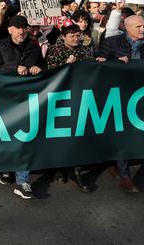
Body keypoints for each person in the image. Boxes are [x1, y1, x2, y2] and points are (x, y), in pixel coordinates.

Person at [97, 15, 144, 193]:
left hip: (136, 95)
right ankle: (124, 175)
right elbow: (99, 64)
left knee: (126, 134)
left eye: (143, 26)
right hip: (114, 95)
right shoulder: (112, 42)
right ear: (127, 28)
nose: (143, 29)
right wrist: (116, 63)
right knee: (119, 133)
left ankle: (119, 166)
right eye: (139, 27)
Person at [0, 15, 41, 199]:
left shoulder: (34, 47)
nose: (22, 31)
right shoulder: (0, 46)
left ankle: (22, 181)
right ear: (10, 29)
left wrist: (38, 69)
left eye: (24, 27)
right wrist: (14, 67)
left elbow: (43, 67)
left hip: (27, 101)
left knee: (24, 138)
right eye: (18, 27)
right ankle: (6, 168)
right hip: (4, 101)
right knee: (6, 137)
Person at [46, 23, 93, 192]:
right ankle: (59, 167)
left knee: (78, 133)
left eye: (78, 35)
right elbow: (50, 73)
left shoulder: (85, 50)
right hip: (60, 97)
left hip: (79, 96)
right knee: (61, 133)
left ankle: (76, 170)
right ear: (63, 36)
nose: (76, 38)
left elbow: (91, 70)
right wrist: (66, 65)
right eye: (72, 35)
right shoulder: (54, 50)